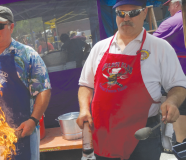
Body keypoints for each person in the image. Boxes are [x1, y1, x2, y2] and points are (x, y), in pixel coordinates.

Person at [77, 0, 186, 160]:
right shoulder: (99, 48)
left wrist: (172, 101)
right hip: (105, 134)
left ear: (144, 13)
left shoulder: (159, 47)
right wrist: (84, 110)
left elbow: (178, 85)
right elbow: (85, 85)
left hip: (142, 135)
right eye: (121, 13)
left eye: (133, 13)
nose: (126, 18)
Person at [0, 6, 51, 160]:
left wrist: (33, 120)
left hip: (21, 133)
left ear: (11, 27)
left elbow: (43, 89)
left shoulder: (27, 54)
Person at [153, 0, 186, 146]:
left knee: (181, 137)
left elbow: (149, 45)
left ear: (178, 4)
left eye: (170, 7)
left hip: (181, 80)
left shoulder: (172, 22)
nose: (169, 10)